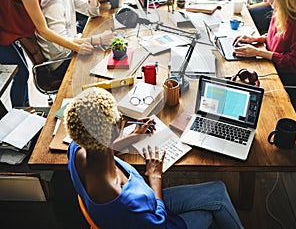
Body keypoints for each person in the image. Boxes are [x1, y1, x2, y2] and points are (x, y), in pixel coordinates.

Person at [65, 87, 245, 229]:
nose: (122, 118)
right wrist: (155, 177)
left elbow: (102, 147)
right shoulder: (124, 199)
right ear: (111, 134)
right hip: (154, 217)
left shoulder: (77, 148)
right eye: (119, 117)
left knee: (217, 191)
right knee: (210, 210)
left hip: (137, 212)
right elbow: (158, 223)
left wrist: (133, 137)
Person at [0, 0, 95, 108]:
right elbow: (43, 30)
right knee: (21, 72)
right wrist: (76, 47)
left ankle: (24, 108)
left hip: (8, 28)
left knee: (23, 70)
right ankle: (20, 111)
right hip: (3, 32)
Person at [233, 0, 296, 111]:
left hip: (287, 76)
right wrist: (257, 39)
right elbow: (278, 39)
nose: (264, 1)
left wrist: (259, 52)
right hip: (272, 63)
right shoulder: (281, 7)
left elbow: (293, 62)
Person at [38, 0, 115, 80]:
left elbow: (92, 12)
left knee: (111, 54)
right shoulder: (53, 2)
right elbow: (62, 43)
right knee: (106, 63)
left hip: (72, 49)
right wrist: (98, 39)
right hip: (61, 61)